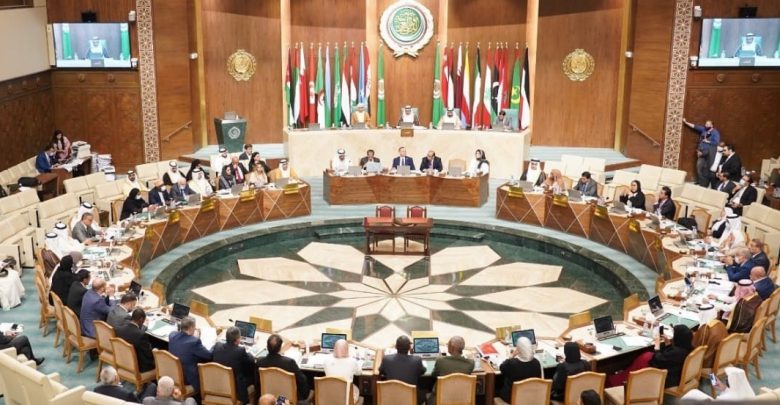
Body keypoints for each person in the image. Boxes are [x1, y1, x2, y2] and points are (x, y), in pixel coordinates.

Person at [607, 325, 693, 388]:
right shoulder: (687, 348)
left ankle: (616, 382)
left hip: (665, 379)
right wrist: (667, 345)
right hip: (672, 373)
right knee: (645, 357)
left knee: (645, 357)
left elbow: (657, 359)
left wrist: (657, 344)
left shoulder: (676, 352)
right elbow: (668, 356)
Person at [256, 334, 309, 401]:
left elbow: (257, 383)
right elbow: (302, 380)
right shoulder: (289, 362)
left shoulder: (260, 362)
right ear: (280, 347)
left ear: (267, 347)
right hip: (287, 398)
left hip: (268, 397)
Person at [168, 316, 212, 395]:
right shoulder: (194, 342)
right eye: (194, 327)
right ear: (191, 328)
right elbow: (209, 356)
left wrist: (193, 337)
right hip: (187, 379)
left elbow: (173, 333)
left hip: (172, 374)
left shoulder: (172, 336)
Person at [212, 326, 256, 405]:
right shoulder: (240, 351)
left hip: (218, 384)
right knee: (254, 375)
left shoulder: (217, 346)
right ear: (237, 339)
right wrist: (248, 353)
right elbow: (251, 362)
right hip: (235, 388)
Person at [378, 335, 425, 402]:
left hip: (391, 399)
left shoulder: (386, 359)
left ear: (396, 347)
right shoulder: (417, 360)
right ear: (409, 348)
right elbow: (422, 371)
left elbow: (381, 371)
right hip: (410, 399)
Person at [429, 336, 475, 404]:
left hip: (441, 400)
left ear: (452, 347)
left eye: (448, 344)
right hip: (461, 400)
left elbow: (434, 375)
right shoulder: (471, 363)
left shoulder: (441, 361)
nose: (447, 346)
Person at [498, 337, 543, 403]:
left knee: (498, 385)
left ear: (518, 349)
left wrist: (512, 356)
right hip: (532, 398)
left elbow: (501, 368)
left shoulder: (511, 363)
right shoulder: (536, 362)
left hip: (512, 399)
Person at [682, 366, 756, 401]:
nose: (726, 379)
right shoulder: (749, 392)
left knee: (693, 393)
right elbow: (735, 392)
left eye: (728, 378)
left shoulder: (725, 398)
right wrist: (724, 389)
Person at [682, 118, 720, 186]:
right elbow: (695, 126)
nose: (706, 125)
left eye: (708, 124)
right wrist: (686, 122)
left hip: (709, 153)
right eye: (706, 124)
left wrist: (708, 141)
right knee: (699, 167)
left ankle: (705, 184)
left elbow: (716, 142)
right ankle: (701, 182)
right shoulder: (704, 130)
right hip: (701, 152)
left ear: (712, 125)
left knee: (706, 169)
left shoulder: (715, 132)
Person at [116, 308, 155, 372]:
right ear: (141, 319)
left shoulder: (119, 329)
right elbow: (149, 355)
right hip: (139, 368)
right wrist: (154, 351)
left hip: (123, 363)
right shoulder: (141, 335)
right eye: (143, 321)